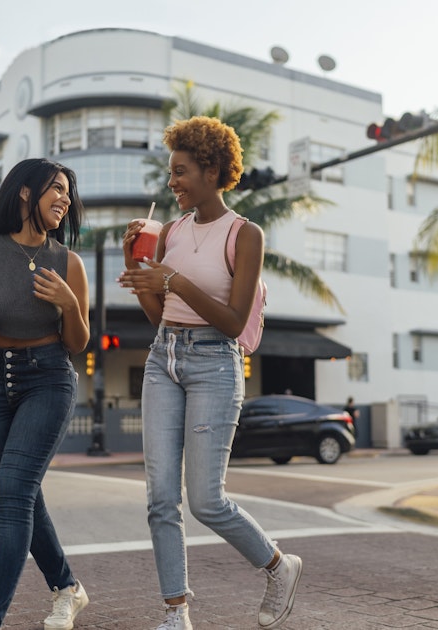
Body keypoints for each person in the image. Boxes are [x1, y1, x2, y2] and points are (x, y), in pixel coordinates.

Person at [118, 116, 303, 630]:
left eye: (180, 171)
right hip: (164, 357)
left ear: (211, 169)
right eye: (171, 172)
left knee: (205, 500)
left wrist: (171, 278)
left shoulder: (245, 235)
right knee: (160, 496)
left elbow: (232, 319)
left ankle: (278, 565)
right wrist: (137, 267)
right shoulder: (170, 231)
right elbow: (159, 314)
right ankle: (176, 613)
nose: (172, 181)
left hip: (215, 364)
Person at [0, 158, 91, 630]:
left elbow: (78, 343)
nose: (65, 199)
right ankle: (67, 587)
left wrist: (68, 302)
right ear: (25, 193)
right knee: (22, 495)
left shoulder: (68, 262)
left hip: (47, 378)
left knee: (12, 498)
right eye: (56, 188)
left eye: (68, 192)